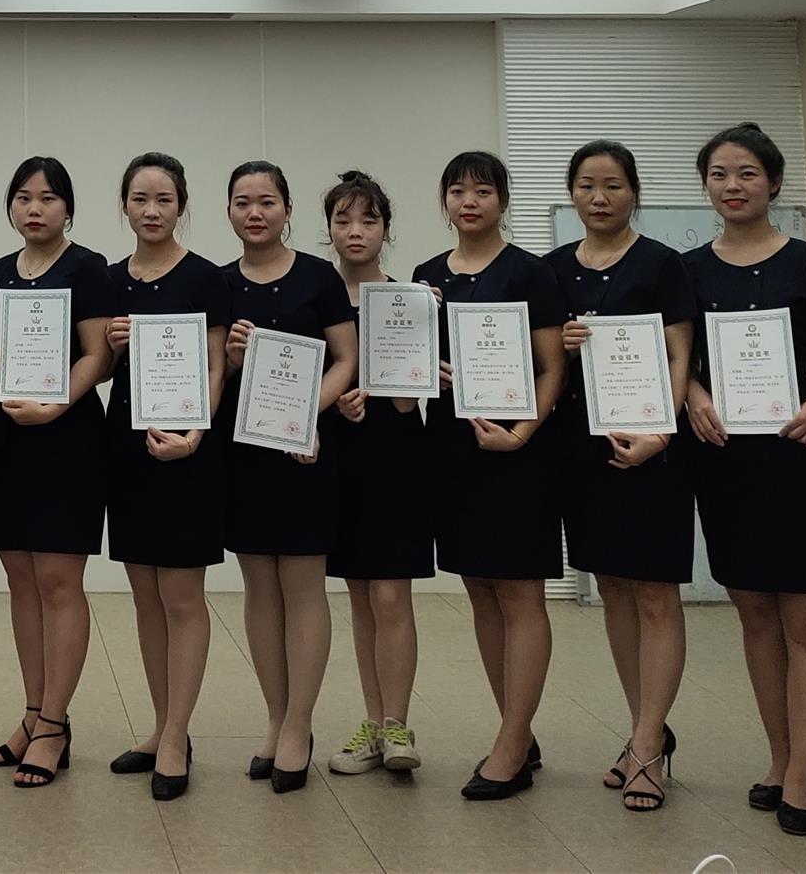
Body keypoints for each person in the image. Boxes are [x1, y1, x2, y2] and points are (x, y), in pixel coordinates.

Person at [682, 122, 806, 838]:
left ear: (774, 183)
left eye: (747, 173)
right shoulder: (688, 269)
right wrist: (694, 396)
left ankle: (805, 775)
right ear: (706, 186)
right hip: (727, 461)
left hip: (799, 452)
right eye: (720, 174)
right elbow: (680, 362)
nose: (733, 186)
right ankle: (779, 757)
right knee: (754, 612)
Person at [546, 141, 693, 816]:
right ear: (571, 193)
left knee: (656, 594)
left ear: (634, 191)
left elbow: (680, 357)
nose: (599, 197)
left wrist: (660, 436)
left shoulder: (663, 264)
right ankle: (644, 730)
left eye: (612, 185)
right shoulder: (552, 270)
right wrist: (559, 344)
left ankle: (647, 746)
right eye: (586, 185)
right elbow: (539, 360)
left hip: (651, 450)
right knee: (611, 589)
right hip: (583, 451)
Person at [414, 151, 565, 804]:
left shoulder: (531, 272)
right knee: (480, 589)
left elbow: (552, 369)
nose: (469, 201)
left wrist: (522, 433)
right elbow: (407, 362)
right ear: (444, 201)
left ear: (503, 199)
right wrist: (425, 365)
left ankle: (509, 745)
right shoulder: (426, 277)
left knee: (521, 593)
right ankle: (517, 730)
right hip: (453, 450)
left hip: (518, 451)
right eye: (457, 191)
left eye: (482, 190)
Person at [219, 161, 357, 796]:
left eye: (267, 201)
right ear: (228, 211)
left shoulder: (318, 277)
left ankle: (300, 723)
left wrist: (306, 417)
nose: (255, 212)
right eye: (243, 202)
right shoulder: (221, 284)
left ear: (287, 209)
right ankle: (275, 717)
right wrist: (230, 358)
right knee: (258, 589)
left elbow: (346, 359)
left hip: (305, 452)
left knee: (302, 587)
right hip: (244, 455)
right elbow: (213, 370)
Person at [0, 156, 113, 789]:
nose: (35, 208)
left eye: (49, 198)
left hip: (68, 435)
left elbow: (97, 356)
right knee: (21, 581)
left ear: (68, 209)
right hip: (8, 433)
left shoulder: (87, 268)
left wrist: (55, 405)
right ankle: (33, 713)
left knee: (59, 581)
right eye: (24, 197)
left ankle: (55, 723)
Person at [102, 153, 229, 802]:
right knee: (145, 598)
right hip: (127, 447)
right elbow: (94, 366)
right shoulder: (107, 279)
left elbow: (215, 365)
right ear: (123, 205)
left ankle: (178, 735)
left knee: (182, 598)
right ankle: (159, 726)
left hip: (187, 451)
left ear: (181, 206)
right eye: (140, 199)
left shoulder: (206, 278)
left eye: (164, 200)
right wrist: (110, 349)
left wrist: (195, 435)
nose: (151, 211)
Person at [319, 169, 430, 782]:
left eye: (369, 219)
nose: (356, 231)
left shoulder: (411, 298)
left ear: (387, 228)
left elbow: (411, 399)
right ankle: (373, 723)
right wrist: (336, 400)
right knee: (360, 596)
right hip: (337, 455)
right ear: (329, 228)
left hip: (394, 455)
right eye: (343, 220)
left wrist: (389, 390)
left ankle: (399, 724)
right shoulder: (316, 294)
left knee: (391, 594)